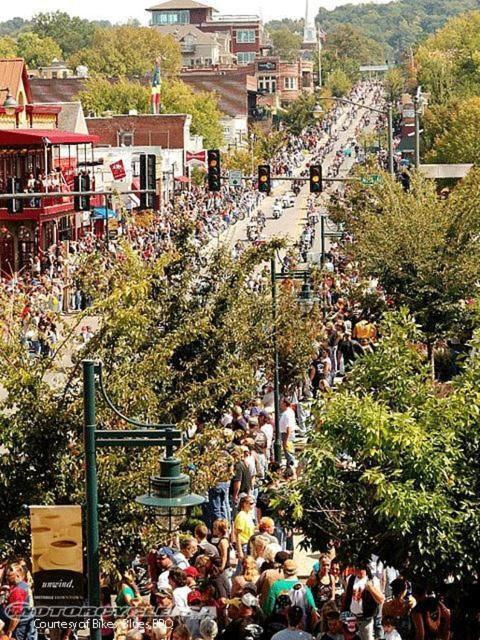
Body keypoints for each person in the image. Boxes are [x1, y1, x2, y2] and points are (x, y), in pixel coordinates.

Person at [264, 559, 317, 626]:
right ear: (296, 571)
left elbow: (268, 609)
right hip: (300, 627)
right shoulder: (304, 588)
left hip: (280, 626)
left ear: (283, 571)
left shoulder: (275, 586)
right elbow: (313, 609)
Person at [342, 565, 384, 640]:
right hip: (352, 618)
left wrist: (371, 588)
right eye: (356, 567)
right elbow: (347, 597)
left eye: (359, 568)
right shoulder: (351, 578)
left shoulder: (373, 580)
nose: (356, 569)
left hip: (366, 619)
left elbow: (381, 600)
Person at [0, 564, 36, 640]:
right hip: (25, 625)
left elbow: (16, 616)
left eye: (9, 576)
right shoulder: (25, 586)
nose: (7, 578)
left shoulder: (18, 590)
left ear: (17, 575)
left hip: (18, 628)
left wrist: (9, 631)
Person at [233, 496, 256, 563]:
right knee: (242, 566)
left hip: (249, 544)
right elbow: (237, 535)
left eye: (253, 503)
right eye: (251, 503)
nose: (253, 505)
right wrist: (239, 550)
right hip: (244, 545)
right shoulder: (241, 516)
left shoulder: (248, 514)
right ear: (244, 504)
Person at [279, 397, 296, 465]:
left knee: (289, 453)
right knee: (287, 453)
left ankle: (291, 466)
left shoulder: (287, 413)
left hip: (287, 435)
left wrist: (286, 440)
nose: (280, 404)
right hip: (285, 434)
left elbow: (289, 427)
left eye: (281, 403)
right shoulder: (287, 412)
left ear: (284, 404)